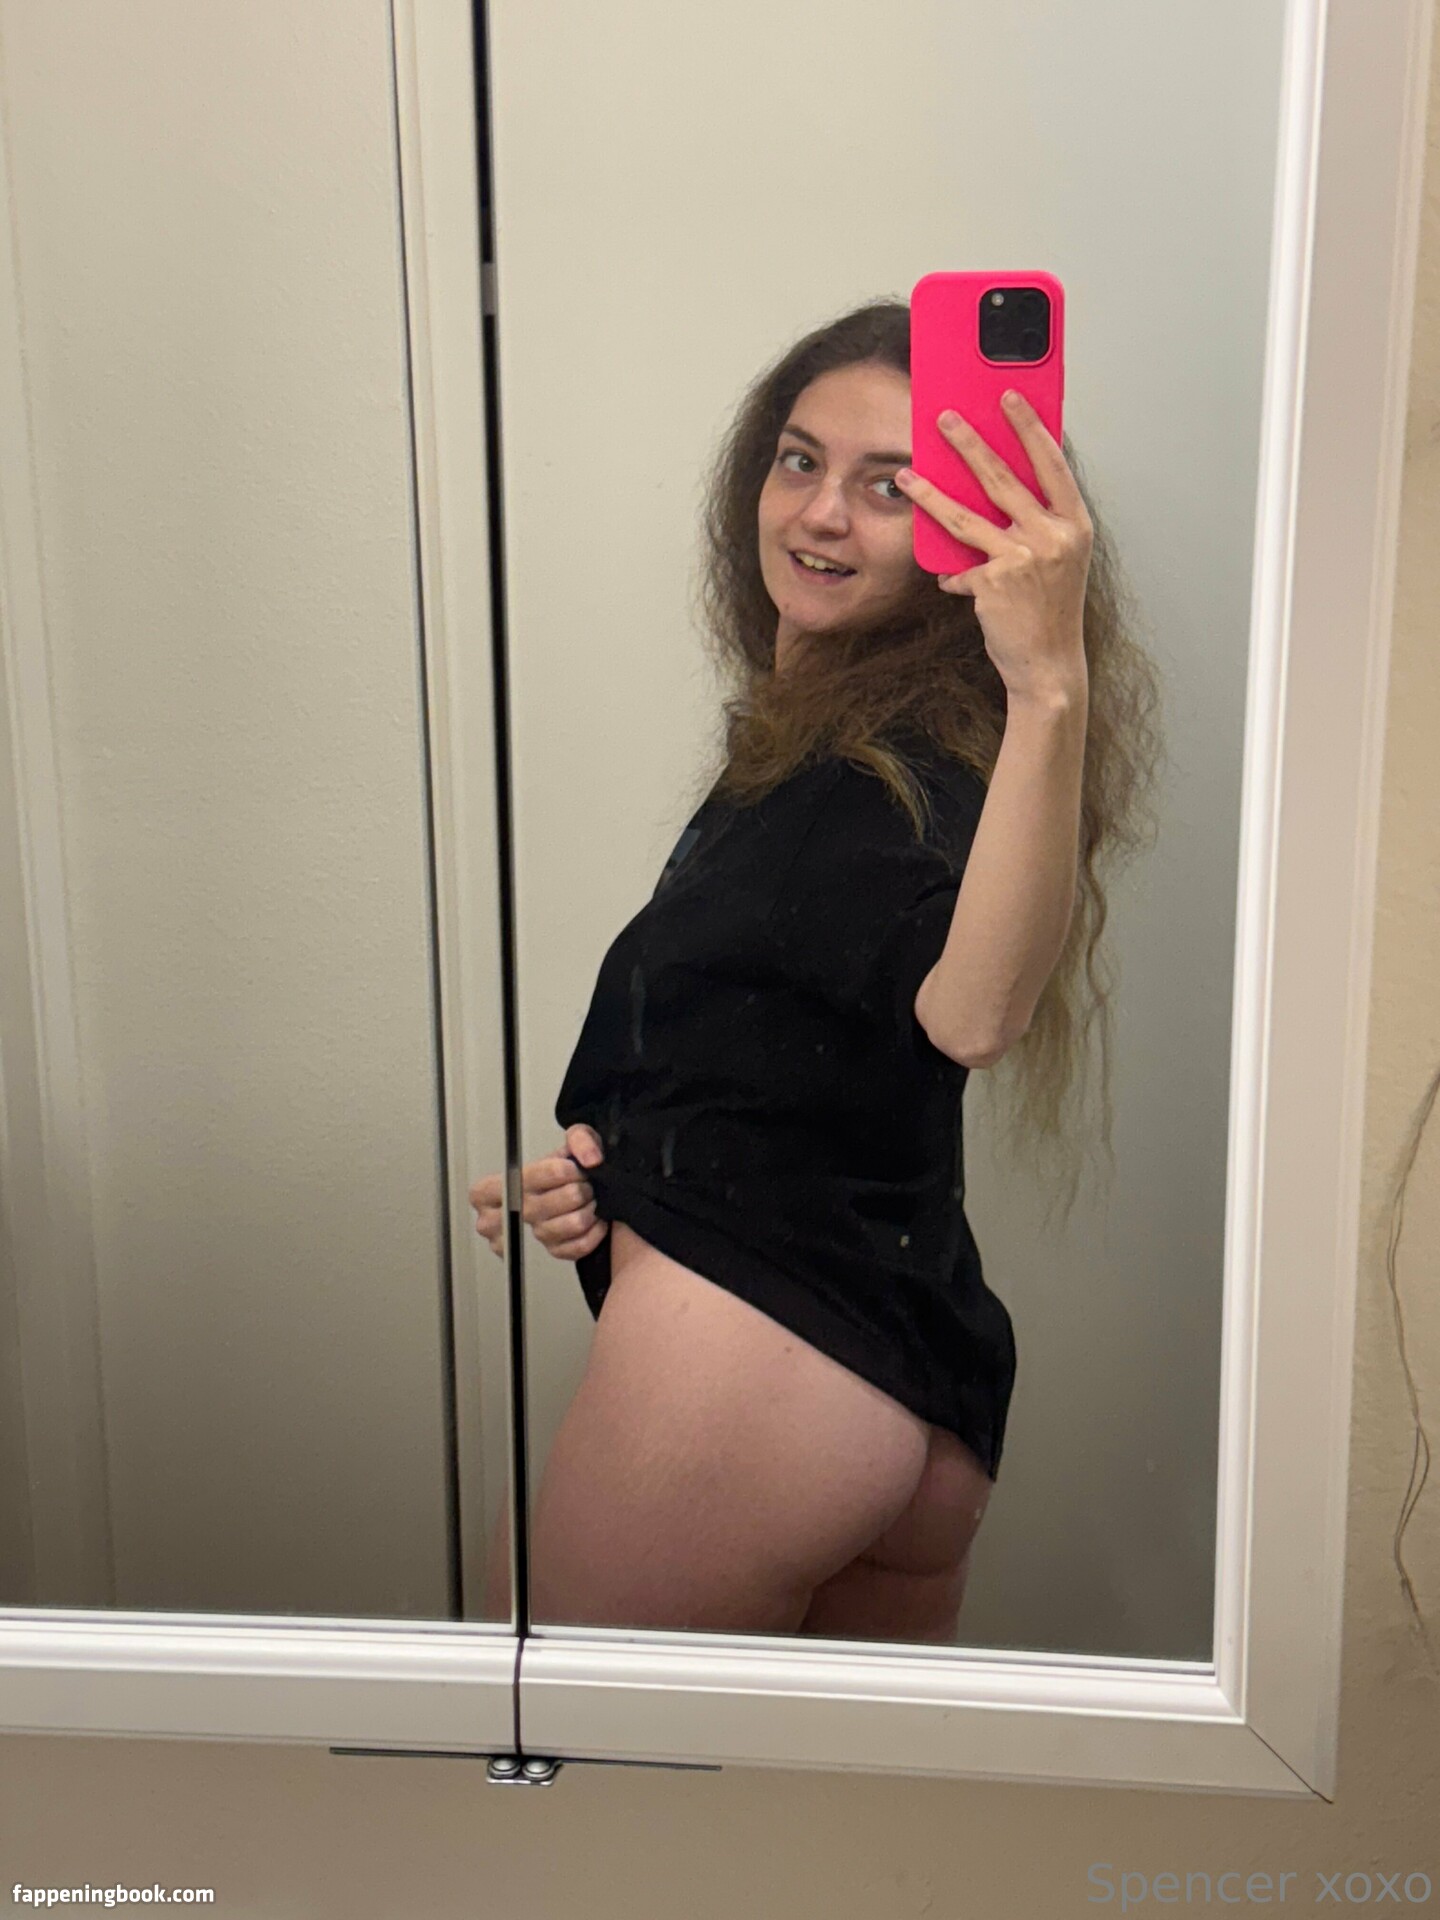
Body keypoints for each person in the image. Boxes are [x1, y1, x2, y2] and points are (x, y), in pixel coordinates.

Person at [471, 299, 1162, 1643]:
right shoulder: (842, 748)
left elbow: (975, 1015)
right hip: (893, 1379)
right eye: (800, 460)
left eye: (889, 486)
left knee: (579, 1770)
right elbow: (798, 1071)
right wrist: (618, 1175)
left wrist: (1050, 680)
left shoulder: (892, 772)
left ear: (980, 527)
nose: (822, 514)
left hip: (744, 1382)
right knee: (797, 1799)